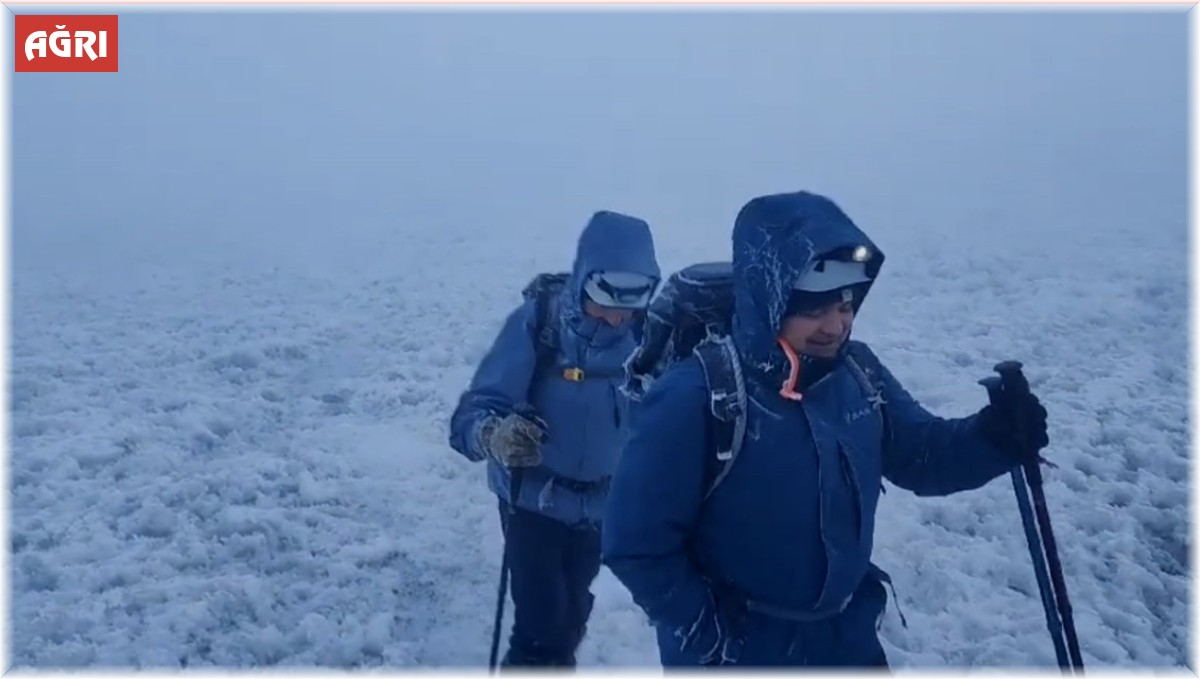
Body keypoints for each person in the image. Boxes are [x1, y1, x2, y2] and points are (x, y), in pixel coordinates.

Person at [600, 191, 1049, 668]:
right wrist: (710, 637)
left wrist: (995, 437)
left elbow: (923, 456)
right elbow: (637, 544)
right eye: (813, 309)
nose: (836, 325)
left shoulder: (858, 374)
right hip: (743, 650)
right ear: (771, 298)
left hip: (846, 639)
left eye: (846, 304)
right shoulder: (696, 396)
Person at [448, 209, 661, 668]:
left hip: (599, 508)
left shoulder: (649, 340)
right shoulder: (539, 326)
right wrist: (493, 434)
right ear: (585, 279)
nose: (618, 315)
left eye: (633, 298)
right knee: (541, 624)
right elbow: (472, 413)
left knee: (571, 610)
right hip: (532, 504)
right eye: (606, 296)